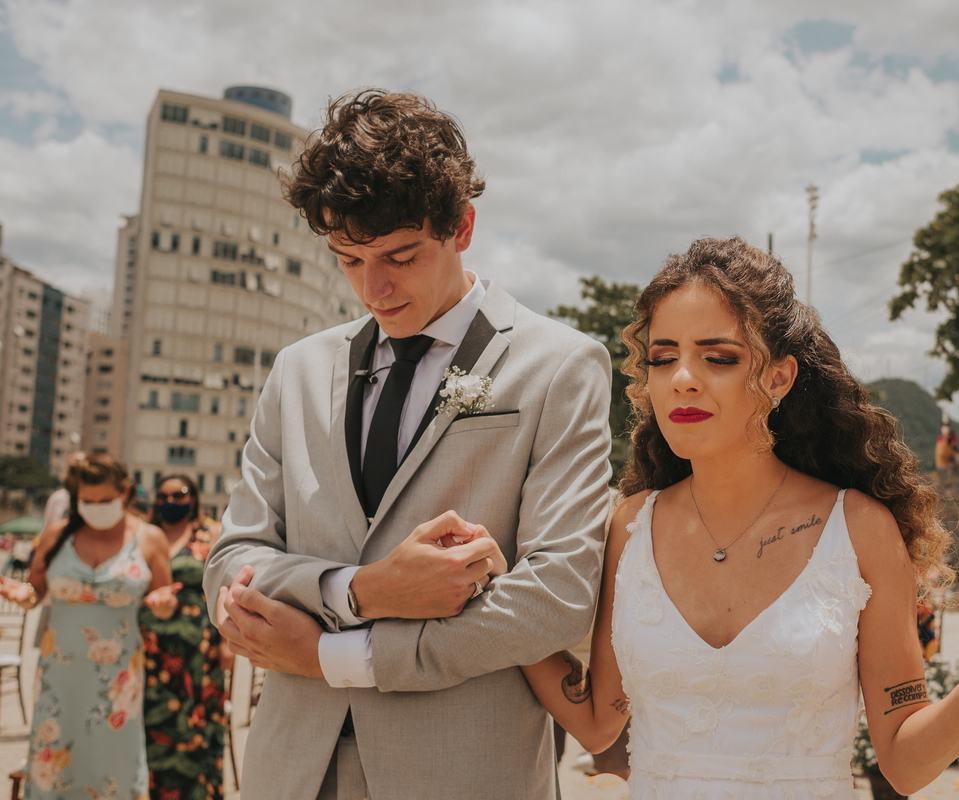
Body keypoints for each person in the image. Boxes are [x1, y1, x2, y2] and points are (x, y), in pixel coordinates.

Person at [515, 237, 959, 798]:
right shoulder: (630, 527)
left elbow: (904, 762)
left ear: (779, 377)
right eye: (663, 358)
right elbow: (598, 725)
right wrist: (498, 594)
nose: (683, 380)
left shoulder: (857, 529)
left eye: (718, 357)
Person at [202, 89, 612, 800]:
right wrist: (358, 592)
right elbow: (231, 563)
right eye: (348, 259)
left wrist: (337, 655)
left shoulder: (560, 365)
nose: (374, 287)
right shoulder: (297, 369)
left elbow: (557, 596)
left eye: (400, 255)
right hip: (291, 773)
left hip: (463, 775)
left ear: (463, 227)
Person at [0, 454, 180, 799]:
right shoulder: (55, 535)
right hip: (58, 675)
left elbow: (164, 603)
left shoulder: (150, 538)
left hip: (119, 680)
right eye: (88, 501)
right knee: (54, 765)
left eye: (106, 501)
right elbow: (34, 592)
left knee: (114, 765)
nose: (96, 507)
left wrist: (164, 605)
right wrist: (18, 593)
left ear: (125, 494)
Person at [141, 474, 232, 800]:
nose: (171, 502)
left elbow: (226, 587)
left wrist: (226, 640)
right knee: (152, 722)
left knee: (198, 724)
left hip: (199, 648)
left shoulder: (212, 533)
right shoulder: (145, 534)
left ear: (193, 497)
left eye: (179, 495)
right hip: (149, 649)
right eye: (164, 495)